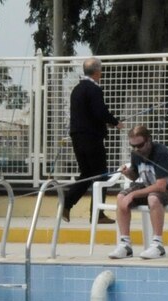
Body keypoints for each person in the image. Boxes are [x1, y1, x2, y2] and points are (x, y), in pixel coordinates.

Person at [60, 58, 118, 222]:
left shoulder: (77, 89)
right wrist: (115, 122)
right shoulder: (94, 89)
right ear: (97, 71)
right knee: (101, 175)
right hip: (91, 137)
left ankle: (67, 203)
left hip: (77, 136)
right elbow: (100, 112)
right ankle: (97, 214)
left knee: (87, 173)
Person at [108, 124, 168, 260]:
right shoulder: (136, 153)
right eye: (133, 146)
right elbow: (135, 176)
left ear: (149, 140)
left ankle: (158, 245)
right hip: (147, 187)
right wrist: (127, 173)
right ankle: (125, 245)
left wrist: (133, 194)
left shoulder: (161, 153)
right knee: (121, 196)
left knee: (153, 198)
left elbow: (161, 186)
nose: (137, 149)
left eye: (140, 145)